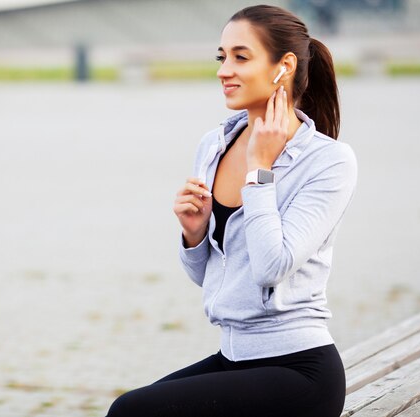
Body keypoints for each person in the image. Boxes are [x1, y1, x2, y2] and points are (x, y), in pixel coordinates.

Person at [105, 4, 357, 417]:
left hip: (300, 372)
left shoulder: (329, 161)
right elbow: (211, 278)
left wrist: (260, 171)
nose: (225, 70)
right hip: (234, 358)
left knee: (133, 412)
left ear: (285, 66)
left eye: (241, 56)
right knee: (127, 409)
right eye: (222, 57)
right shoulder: (215, 145)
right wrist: (194, 234)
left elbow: (271, 267)